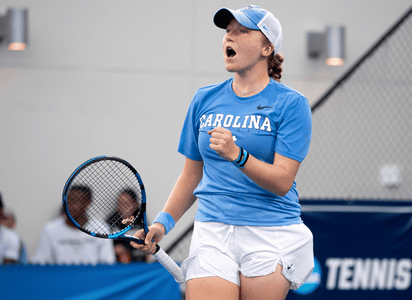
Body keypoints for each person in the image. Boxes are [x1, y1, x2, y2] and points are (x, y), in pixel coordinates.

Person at [132, 5, 314, 300]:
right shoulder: (204, 98)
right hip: (212, 228)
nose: (230, 37)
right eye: (228, 31)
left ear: (267, 48)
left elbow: (282, 182)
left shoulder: (292, 105)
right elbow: (191, 175)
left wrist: (237, 155)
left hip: (271, 231)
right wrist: (162, 223)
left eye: (242, 31)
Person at [31, 185, 116, 265]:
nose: (70, 205)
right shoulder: (50, 229)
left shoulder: (101, 228)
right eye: (68, 201)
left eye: (76, 201)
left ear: (87, 203)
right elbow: (40, 261)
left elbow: (107, 262)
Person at [107, 189, 148, 263]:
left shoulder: (142, 221)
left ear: (135, 205)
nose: (122, 208)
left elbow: (148, 245)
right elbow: (104, 247)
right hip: (117, 265)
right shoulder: (111, 222)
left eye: (126, 204)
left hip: (139, 263)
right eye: (120, 204)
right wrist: (115, 249)